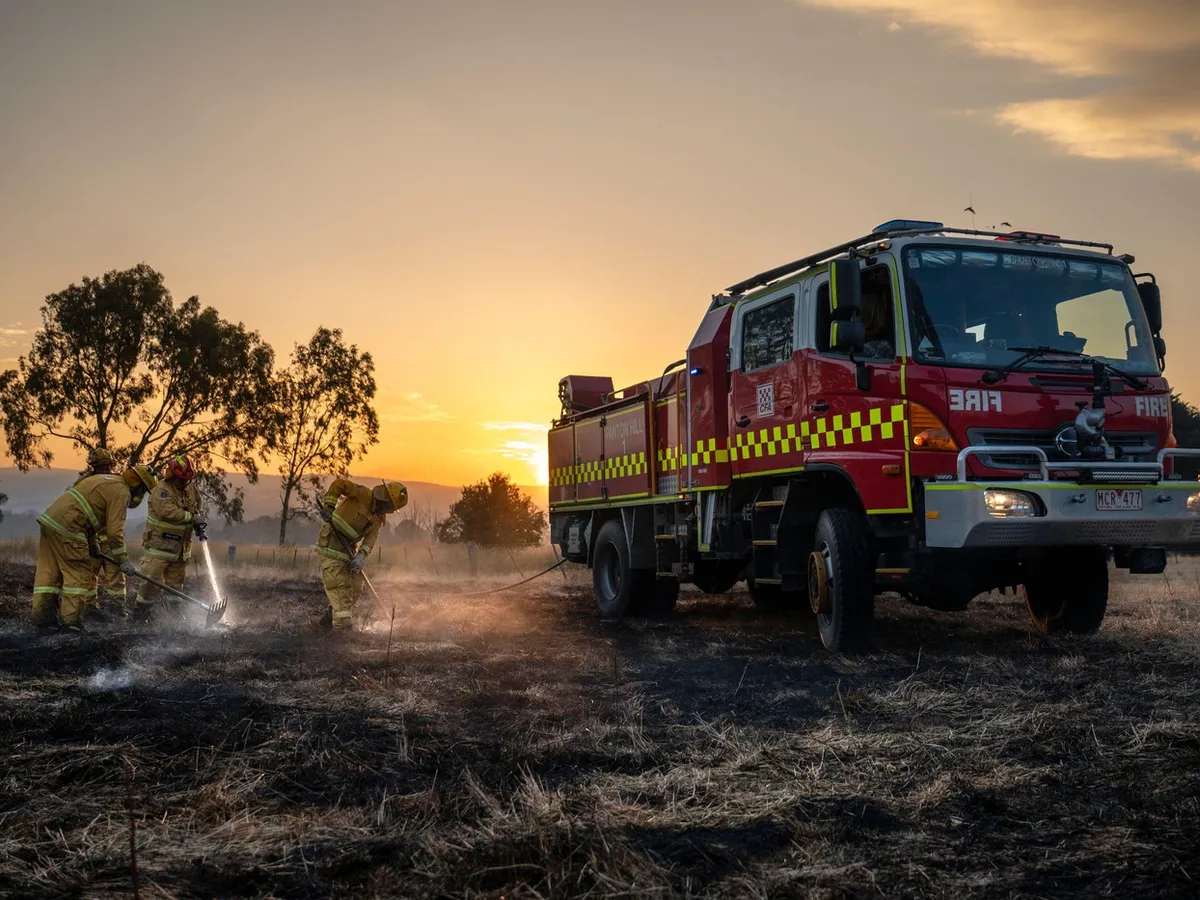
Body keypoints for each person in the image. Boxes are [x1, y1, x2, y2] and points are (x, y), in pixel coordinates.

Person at [33, 464, 158, 633]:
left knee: (49, 573)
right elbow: (114, 533)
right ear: (138, 486)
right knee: (79, 573)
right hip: (70, 528)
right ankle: (71, 624)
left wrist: (92, 543)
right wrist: (123, 560)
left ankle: (44, 619)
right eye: (143, 491)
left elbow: (88, 511)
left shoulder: (107, 480)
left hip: (51, 521)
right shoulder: (122, 492)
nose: (141, 495)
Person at [314, 478, 408, 630]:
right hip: (331, 544)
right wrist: (329, 507)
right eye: (390, 506)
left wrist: (361, 556)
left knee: (356, 586)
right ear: (385, 499)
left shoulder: (378, 518)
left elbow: (371, 539)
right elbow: (339, 484)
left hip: (348, 550)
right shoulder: (362, 494)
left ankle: (328, 620)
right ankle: (341, 633)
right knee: (340, 589)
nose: (390, 511)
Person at [130, 454, 207, 623]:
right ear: (172, 475)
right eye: (181, 479)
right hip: (159, 549)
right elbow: (166, 511)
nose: (184, 483)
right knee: (149, 585)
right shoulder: (161, 490)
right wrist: (191, 517)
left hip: (180, 552)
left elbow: (198, 506)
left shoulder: (192, 489)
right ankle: (140, 616)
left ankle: (174, 619)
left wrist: (199, 518)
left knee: (175, 588)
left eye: (187, 479)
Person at [73, 448, 128, 621]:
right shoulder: (83, 484)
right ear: (93, 467)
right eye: (100, 467)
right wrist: (90, 541)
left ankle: (117, 609)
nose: (104, 471)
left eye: (107, 467)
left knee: (116, 576)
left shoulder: (116, 484)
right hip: (91, 539)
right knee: (89, 575)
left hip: (110, 540)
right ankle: (90, 609)